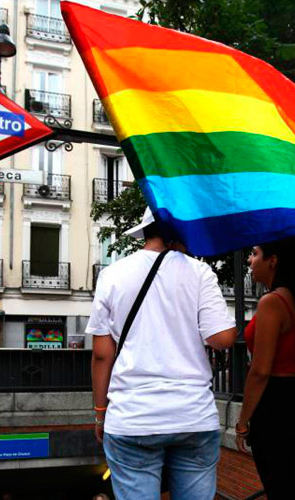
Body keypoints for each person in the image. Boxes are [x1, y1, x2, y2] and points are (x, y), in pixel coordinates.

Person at [86, 207, 237, 500]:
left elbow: (102, 355)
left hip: (132, 417)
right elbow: (222, 339)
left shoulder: (112, 275)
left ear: (146, 232)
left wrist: (100, 414)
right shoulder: (199, 272)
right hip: (193, 416)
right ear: (181, 230)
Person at [235, 238, 295, 500]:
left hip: (278, 404)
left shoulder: (272, 302)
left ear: (272, 260)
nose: (250, 261)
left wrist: (242, 422)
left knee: (283, 489)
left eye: (254, 254)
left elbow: (260, 370)